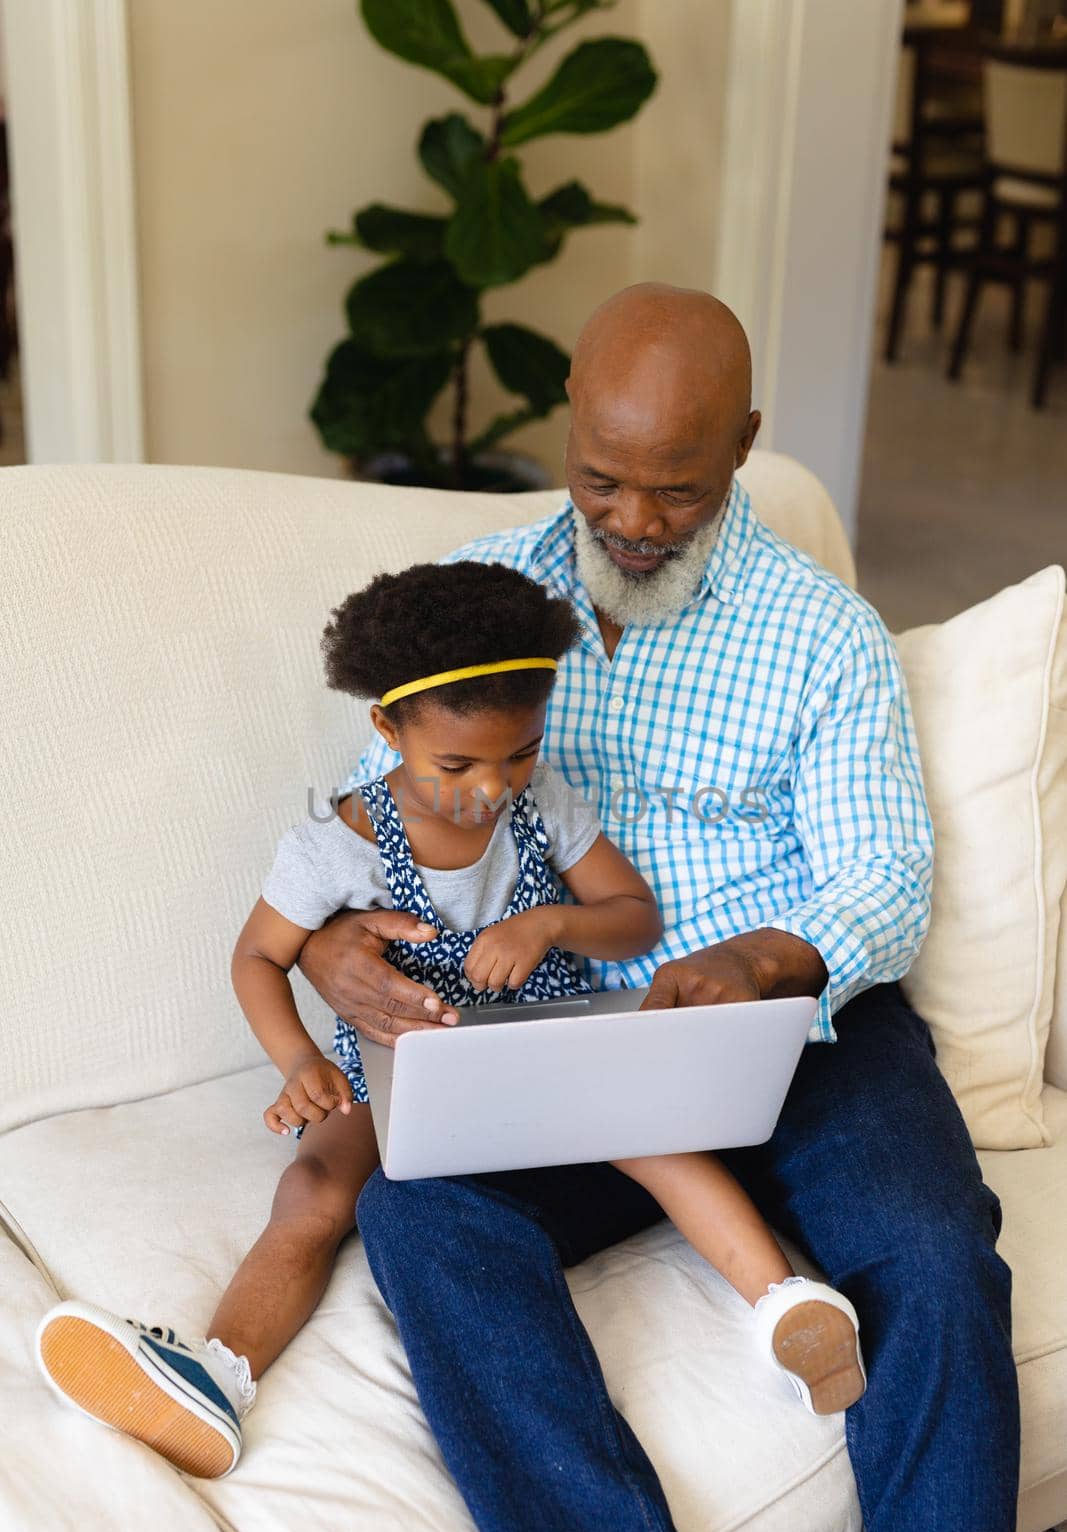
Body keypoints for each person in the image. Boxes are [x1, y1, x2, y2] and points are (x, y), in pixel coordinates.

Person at [35, 557, 866, 1484]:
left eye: (519, 752)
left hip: (541, 1041)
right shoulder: (336, 843)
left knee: (659, 1140)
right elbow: (257, 957)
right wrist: (297, 1060)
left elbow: (635, 916)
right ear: (387, 728)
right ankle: (217, 1377)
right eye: (456, 765)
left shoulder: (541, 805)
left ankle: (788, 1309)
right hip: (399, 1064)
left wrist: (550, 919)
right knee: (315, 1188)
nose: (491, 787)